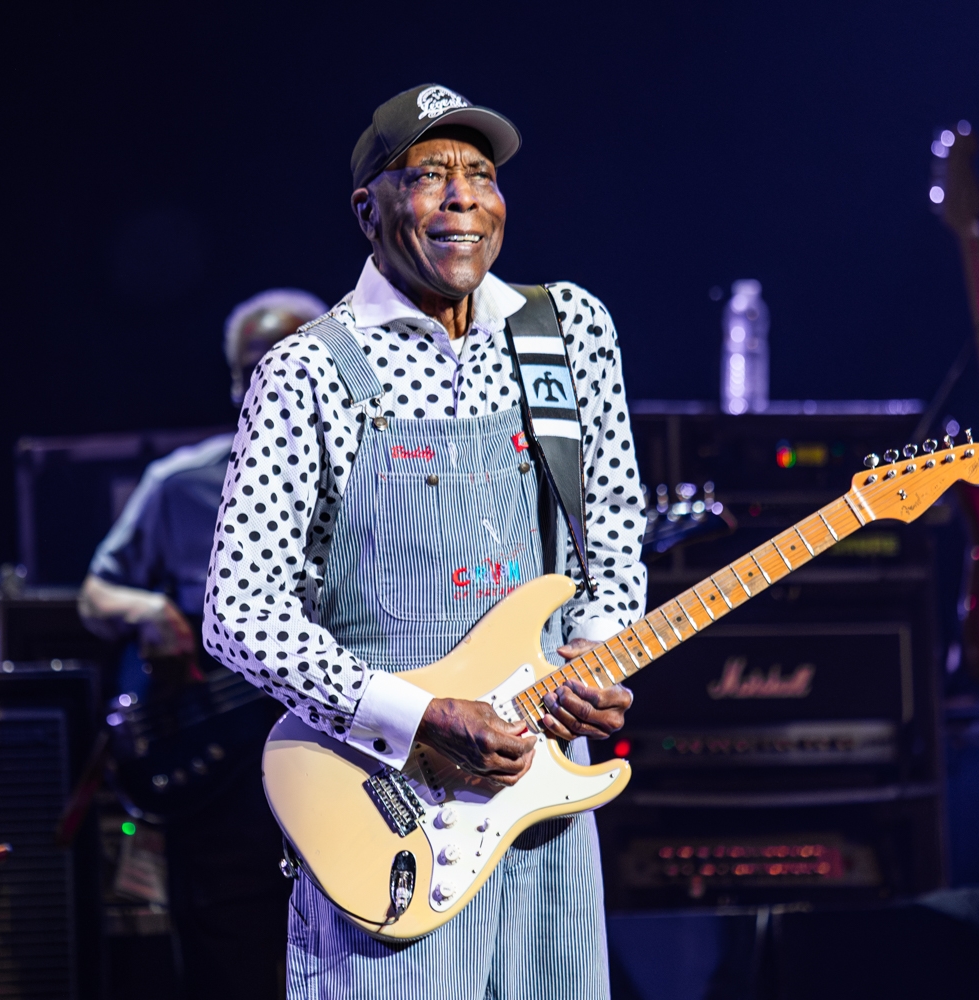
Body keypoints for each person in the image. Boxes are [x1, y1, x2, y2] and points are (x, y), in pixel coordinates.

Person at [201, 84, 647, 999]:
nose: (464, 199)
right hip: (390, 811)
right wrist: (417, 719)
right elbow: (238, 611)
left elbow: (612, 527)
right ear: (368, 208)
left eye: (481, 174)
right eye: (430, 175)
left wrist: (597, 653)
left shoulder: (566, 332)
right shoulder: (313, 369)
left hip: (542, 806)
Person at [79, 287, 327, 998]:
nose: (271, 380)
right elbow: (96, 593)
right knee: (228, 954)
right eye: (255, 366)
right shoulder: (180, 483)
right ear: (232, 380)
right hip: (220, 765)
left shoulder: (381, 477)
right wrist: (150, 610)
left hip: (332, 757)